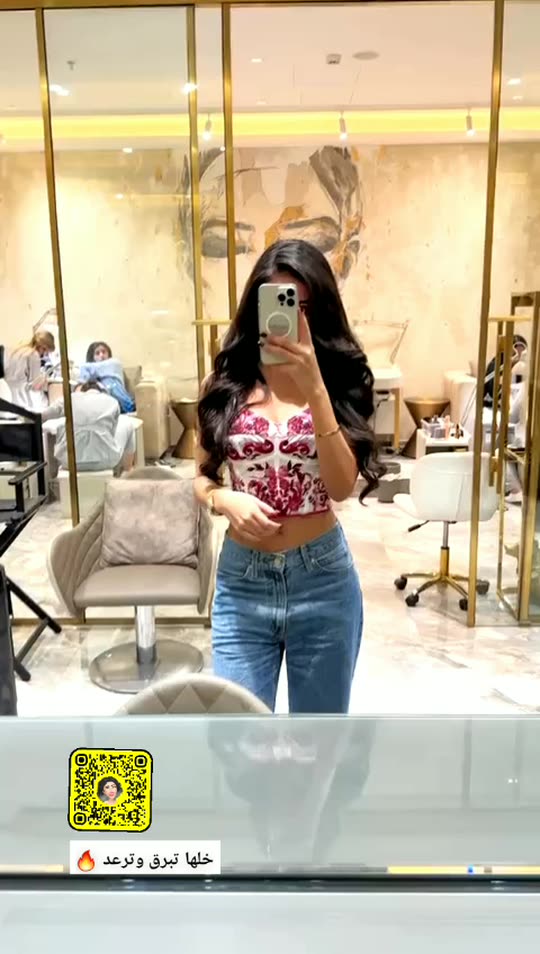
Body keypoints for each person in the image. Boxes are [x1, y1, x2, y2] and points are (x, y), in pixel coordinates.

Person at [195, 239, 381, 714]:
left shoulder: (340, 383)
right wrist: (224, 500)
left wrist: (314, 386)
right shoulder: (226, 384)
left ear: (320, 310)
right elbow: (200, 477)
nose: (288, 317)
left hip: (323, 580)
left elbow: (340, 487)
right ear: (256, 306)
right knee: (238, 734)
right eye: (276, 301)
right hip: (242, 581)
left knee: (317, 740)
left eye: (302, 305)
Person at [43, 382, 136, 472]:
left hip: (69, 461)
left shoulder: (70, 399)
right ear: (101, 392)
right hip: (105, 461)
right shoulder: (112, 402)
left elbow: (43, 415)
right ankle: (128, 471)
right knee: (127, 423)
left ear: (82, 392)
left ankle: (51, 477)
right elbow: (112, 433)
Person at [3, 331, 55, 411]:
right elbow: (35, 386)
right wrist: (43, 379)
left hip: (7, 394)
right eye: (46, 351)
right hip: (20, 399)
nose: (45, 355)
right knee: (45, 403)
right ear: (43, 347)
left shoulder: (17, 350)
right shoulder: (34, 355)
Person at [79, 341, 135, 414]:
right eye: (97, 353)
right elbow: (84, 379)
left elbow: (84, 368)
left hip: (122, 403)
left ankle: (130, 406)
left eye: (104, 352)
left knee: (108, 380)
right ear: (92, 357)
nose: (101, 355)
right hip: (103, 404)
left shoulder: (115, 363)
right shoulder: (93, 374)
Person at [483, 334, 527, 408]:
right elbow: (492, 390)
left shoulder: (519, 367)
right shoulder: (497, 363)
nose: (519, 356)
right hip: (494, 404)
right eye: (516, 352)